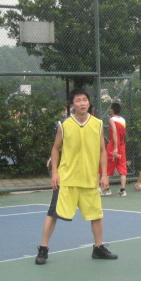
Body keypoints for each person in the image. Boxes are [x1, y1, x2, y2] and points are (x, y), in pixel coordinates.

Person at [35, 88, 118, 265]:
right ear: (72, 105)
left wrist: (104, 175)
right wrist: (55, 172)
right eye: (78, 100)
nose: (82, 103)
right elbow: (55, 149)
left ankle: (98, 248)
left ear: (89, 102)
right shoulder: (64, 125)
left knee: (96, 214)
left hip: (89, 179)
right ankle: (43, 249)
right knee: (53, 213)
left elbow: (103, 151)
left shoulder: (97, 124)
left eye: (85, 100)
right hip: (67, 179)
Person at [100, 101, 128, 197]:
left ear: (112, 110)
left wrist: (115, 147)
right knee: (122, 168)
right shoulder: (123, 120)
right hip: (122, 146)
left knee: (107, 167)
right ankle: (122, 190)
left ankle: (106, 189)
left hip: (113, 146)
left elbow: (115, 133)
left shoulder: (111, 120)